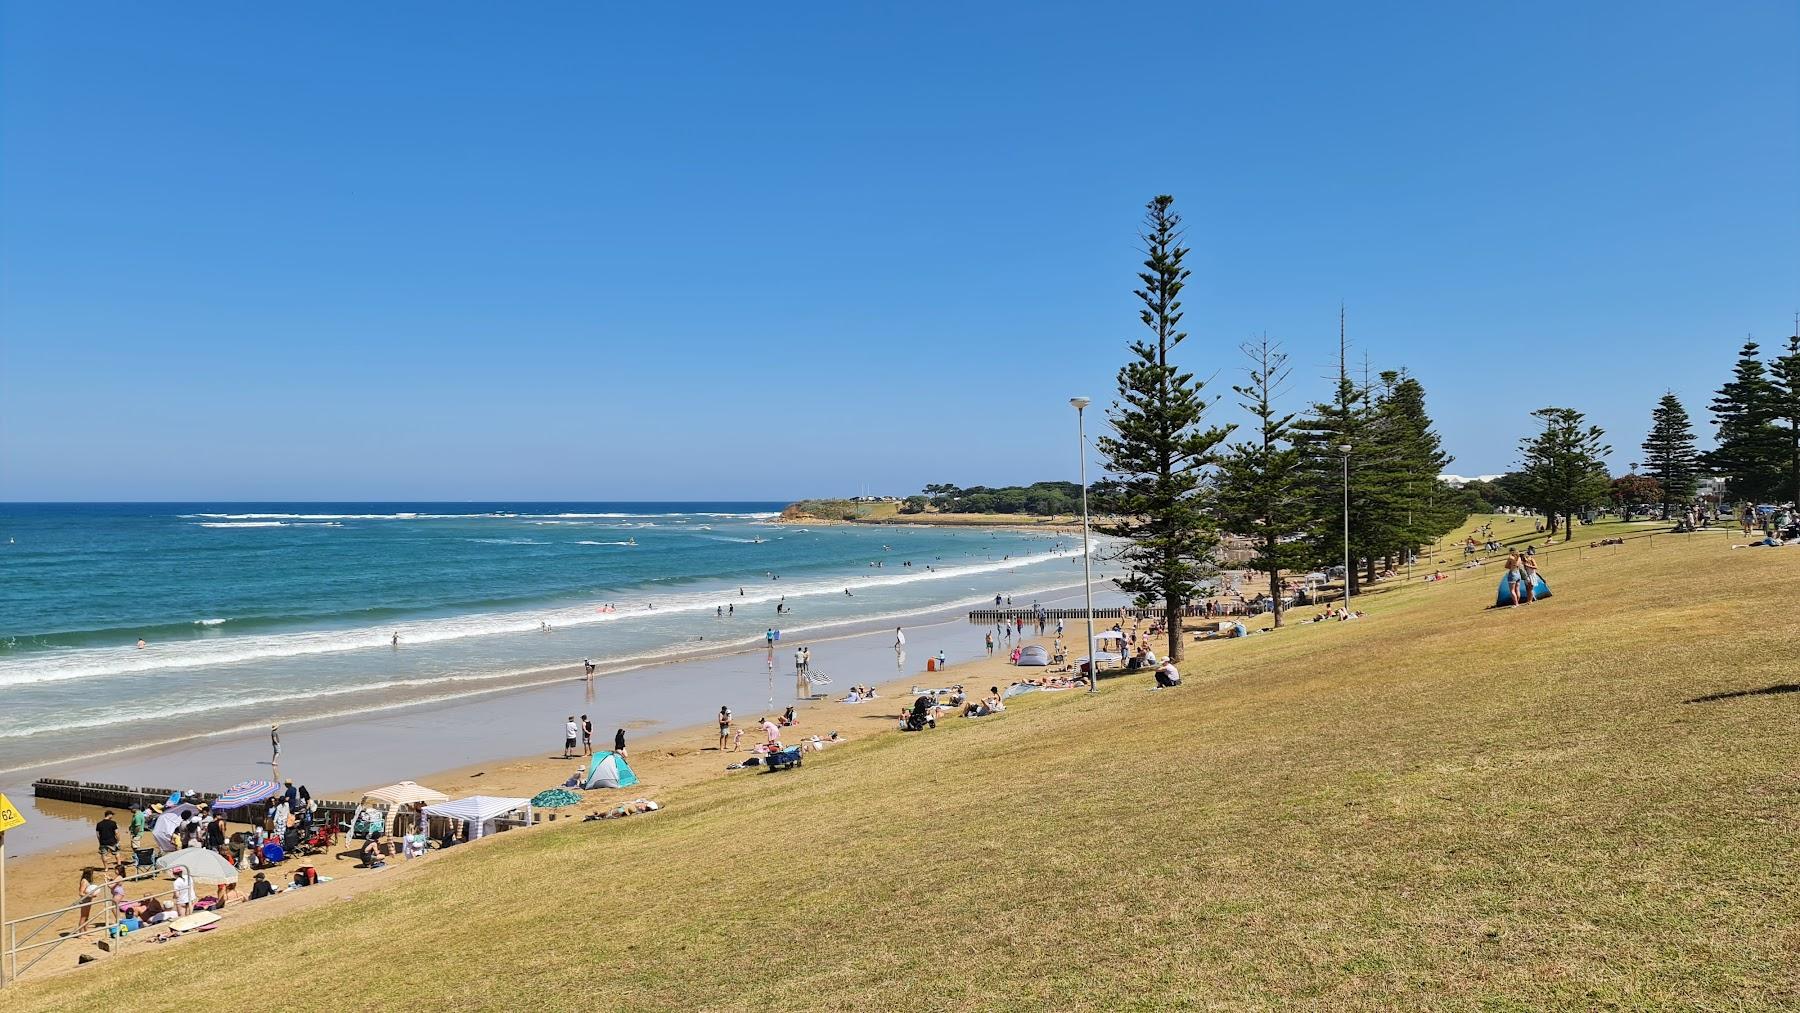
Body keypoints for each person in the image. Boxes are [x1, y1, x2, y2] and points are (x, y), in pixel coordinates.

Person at [75, 868, 103, 933]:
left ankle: (86, 931)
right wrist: (91, 896)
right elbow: (81, 893)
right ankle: (81, 933)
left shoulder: (87, 881)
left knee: (87, 916)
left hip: (88, 900)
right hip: (85, 901)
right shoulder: (84, 881)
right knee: (83, 917)